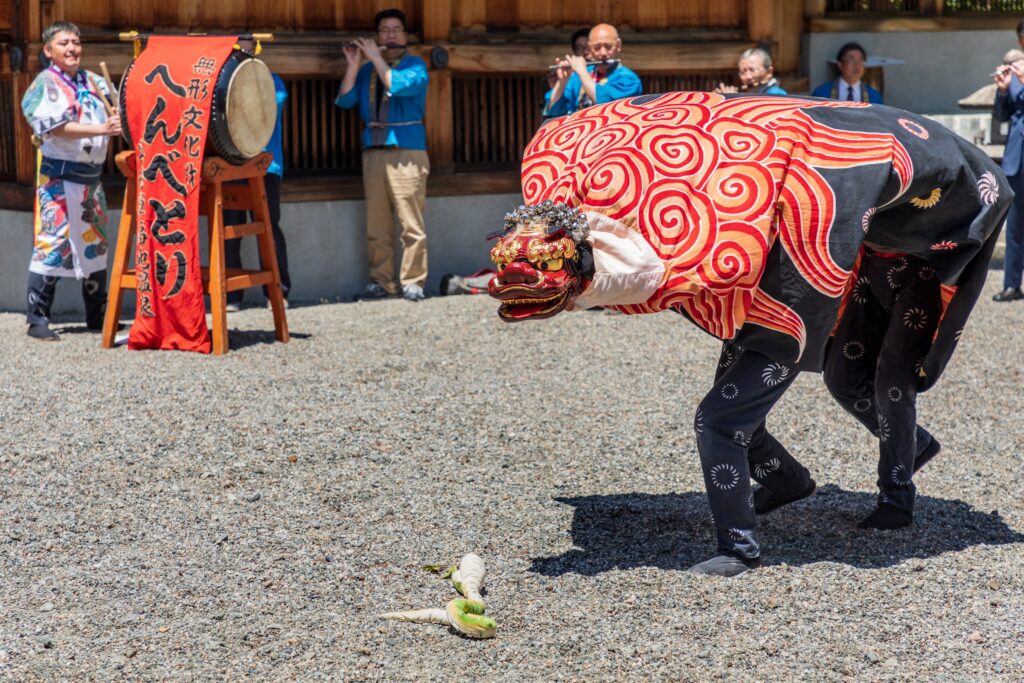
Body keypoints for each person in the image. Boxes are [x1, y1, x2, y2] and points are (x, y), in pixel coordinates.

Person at [488, 92, 1009, 576]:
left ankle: (776, 532)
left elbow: (783, 224)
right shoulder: (692, 225)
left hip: (884, 261)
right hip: (813, 265)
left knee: (771, 406)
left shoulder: (745, 229)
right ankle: (791, 480)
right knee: (798, 390)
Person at [20, 21, 120, 341]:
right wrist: (103, 130)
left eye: (75, 42)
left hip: (91, 181)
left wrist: (119, 117)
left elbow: (121, 110)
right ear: (48, 51)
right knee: (53, 244)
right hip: (59, 180)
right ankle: (37, 318)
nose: (72, 48)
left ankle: (97, 314)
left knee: (94, 246)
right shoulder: (43, 84)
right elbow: (56, 128)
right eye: (63, 43)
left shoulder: (94, 81)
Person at [336, 9, 429, 302]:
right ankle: (381, 281)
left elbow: (396, 86)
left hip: (408, 150)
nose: (390, 34)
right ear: (377, 36)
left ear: (404, 35)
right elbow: (345, 100)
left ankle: (413, 281)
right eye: (384, 29)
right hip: (373, 152)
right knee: (376, 224)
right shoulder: (366, 71)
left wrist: (374, 57)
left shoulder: (416, 65)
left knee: (411, 223)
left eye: (396, 29)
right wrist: (354, 64)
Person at [223, 71, 292, 311]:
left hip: (265, 164)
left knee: (269, 227)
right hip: (231, 163)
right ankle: (231, 294)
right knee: (229, 229)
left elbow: (273, 107)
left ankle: (277, 291)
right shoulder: (224, 77)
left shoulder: (270, 78)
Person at [543, 23, 642, 119]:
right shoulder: (578, 76)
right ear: (590, 48)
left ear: (618, 45)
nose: (603, 53)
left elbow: (606, 105)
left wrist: (581, 71)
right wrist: (562, 81)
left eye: (608, 46)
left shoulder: (629, 79)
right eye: (597, 48)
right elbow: (552, 110)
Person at [992, 30, 1024, 302]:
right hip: (1017, 157)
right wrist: (1003, 91)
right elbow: (1002, 115)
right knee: (1014, 225)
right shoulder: (1016, 75)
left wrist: (1018, 83)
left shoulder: (1020, 76)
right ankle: (1012, 284)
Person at [811, 42, 883, 104]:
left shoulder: (874, 96)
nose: (857, 65)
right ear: (840, 65)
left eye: (861, 60)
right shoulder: (822, 93)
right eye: (852, 60)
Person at [714, 47, 787, 95]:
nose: (748, 76)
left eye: (752, 70)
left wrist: (733, 99)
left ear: (769, 72)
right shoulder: (743, 92)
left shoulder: (776, 93)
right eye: (743, 72)